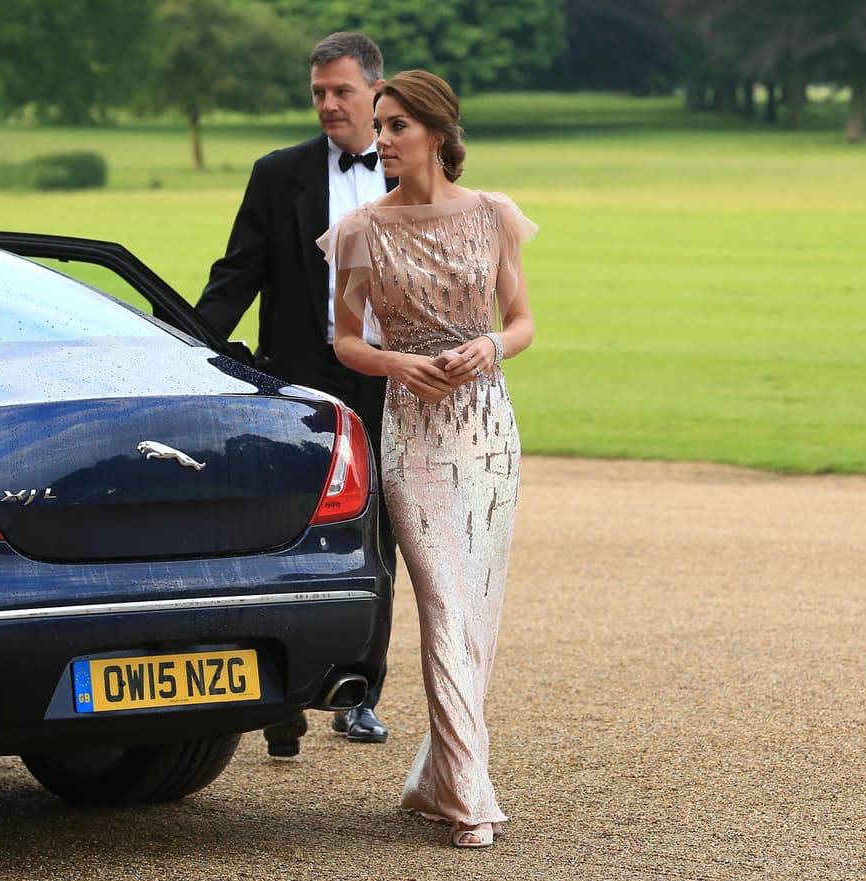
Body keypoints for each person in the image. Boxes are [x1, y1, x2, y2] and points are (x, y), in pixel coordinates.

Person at [319, 70, 537, 848]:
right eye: (378, 125)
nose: (380, 139)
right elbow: (345, 338)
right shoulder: (358, 230)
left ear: (438, 135)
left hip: (487, 432)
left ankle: (436, 776)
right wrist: (394, 365)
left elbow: (520, 322)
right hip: (410, 432)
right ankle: (470, 799)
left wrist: (489, 346)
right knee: (444, 602)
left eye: (396, 126)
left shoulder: (494, 215)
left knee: (477, 613)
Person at [196, 32, 396, 755]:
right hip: (302, 386)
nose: (327, 105)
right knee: (285, 536)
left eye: (341, 91)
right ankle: (279, 700)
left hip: (389, 383)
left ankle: (360, 692)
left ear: (378, 91)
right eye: (318, 92)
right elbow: (236, 276)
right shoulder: (278, 174)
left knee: (380, 538)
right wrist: (182, 346)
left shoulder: (413, 172)